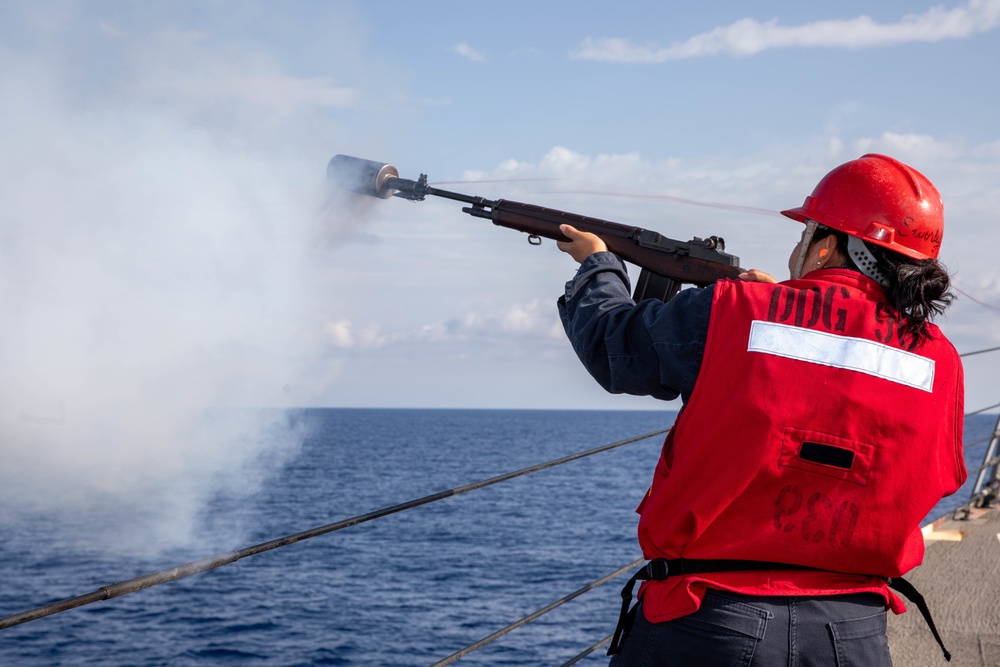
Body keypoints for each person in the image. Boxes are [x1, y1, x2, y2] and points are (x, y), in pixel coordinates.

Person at [555, 154, 966, 666]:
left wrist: (598, 262)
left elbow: (612, 345)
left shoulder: (736, 310)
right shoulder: (938, 358)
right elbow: (927, 467)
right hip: (852, 633)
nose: (796, 248)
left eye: (805, 234)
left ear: (828, 247)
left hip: (705, 625)